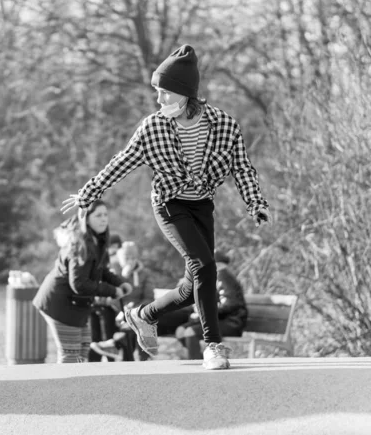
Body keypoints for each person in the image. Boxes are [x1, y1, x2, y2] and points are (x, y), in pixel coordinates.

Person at [62, 44, 271, 370]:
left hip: (202, 206)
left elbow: (242, 167)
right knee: (206, 267)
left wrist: (255, 202)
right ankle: (213, 346)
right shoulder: (153, 127)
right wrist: (89, 192)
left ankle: (143, 315)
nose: (159, 101)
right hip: (169, 204)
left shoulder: (225, 125)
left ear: (186, 93)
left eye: (164, 93)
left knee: (192, 287)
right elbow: (122, 162)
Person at [33, 200, 133, 363]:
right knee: (70, 353)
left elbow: (101, 270)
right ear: (85, 218)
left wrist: (119, 282)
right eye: (98, 215)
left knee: (83, 350)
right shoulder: (79, 244)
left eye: (105, 215)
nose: (104, 219)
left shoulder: (97, 240)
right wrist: (112, 291)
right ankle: (63, 388)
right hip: (60, 304)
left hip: (77, 305)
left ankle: (76, 387)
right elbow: (79, 284)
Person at [176, 250, 248, 359]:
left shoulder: (224, 277)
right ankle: (199, 359)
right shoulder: (215, 276)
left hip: (231, 322)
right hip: (218, 319)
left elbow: (230, 305)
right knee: (180, 331)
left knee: (190, 332)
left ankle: (196, 365)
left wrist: (204, 311)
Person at [90, 241, 154, 361]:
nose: (130, 260)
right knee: (109, 319)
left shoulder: (144, 274)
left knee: (137, 324)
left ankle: (140, 360)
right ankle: (114, 356)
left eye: (133, 257)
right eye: (126, 257)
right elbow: (106, 296)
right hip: (116, 311)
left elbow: (149, 297)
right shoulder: (113, 272)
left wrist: (135, 308)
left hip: (136, 311)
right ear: (120, 258)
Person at [88, 233, 124, 362]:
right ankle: (98, 363)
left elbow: (117, 284)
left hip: (108, 306)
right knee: (97, 338)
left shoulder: (117, 262)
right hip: (98, 303)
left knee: (102, 338)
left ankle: (97, 364)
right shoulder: (102, 259)